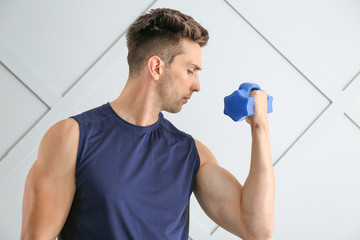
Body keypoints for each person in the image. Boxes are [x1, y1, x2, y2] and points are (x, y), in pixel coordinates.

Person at [20, 8, 274, 240]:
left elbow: (256, 229)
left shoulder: (191, 153)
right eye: (191, 70)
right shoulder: (71, 138)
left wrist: (259, 127)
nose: (197, 85)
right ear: (156, 67)